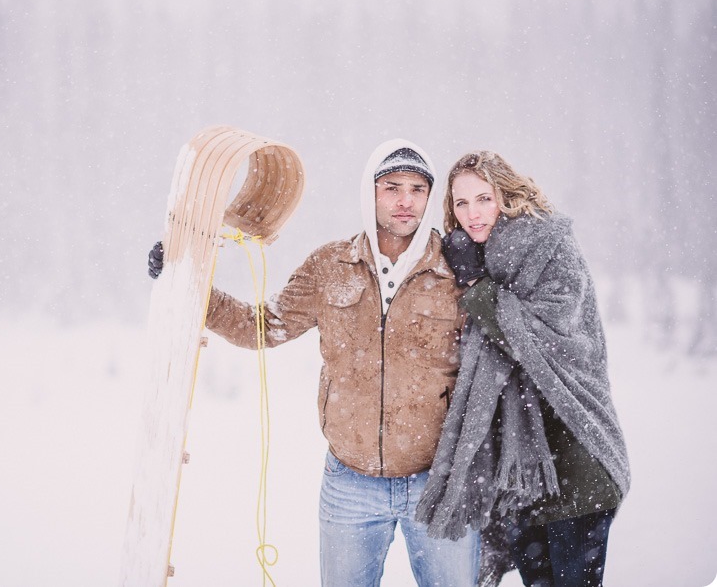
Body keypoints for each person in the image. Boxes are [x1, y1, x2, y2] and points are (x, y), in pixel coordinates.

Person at [149, 140, 480, 587]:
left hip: (439, 482)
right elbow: (261, 326)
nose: (406, 201)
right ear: (370, 193)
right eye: (392, 187)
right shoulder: (331, 266)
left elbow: (505, 348)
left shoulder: (456, 270)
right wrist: (192, 284)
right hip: (350, 485)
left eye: (418, 189)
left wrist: (480, 272)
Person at [414, 151, 630, 587]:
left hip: (576, 461)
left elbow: (544, 339)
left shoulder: (550, 246)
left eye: (483, 199)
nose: (473, 214)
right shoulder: (474, 259)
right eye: (461, 203)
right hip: (519, 475)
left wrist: (478, 287)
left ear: (506, 196)